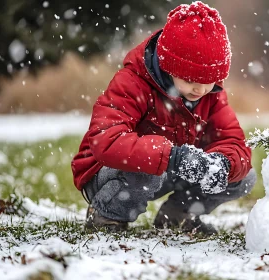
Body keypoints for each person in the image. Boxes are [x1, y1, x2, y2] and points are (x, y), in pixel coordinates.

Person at [71, 1, 255, 235]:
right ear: (169, 67)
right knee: (146, 170)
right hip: (108, 173)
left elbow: (233, 141)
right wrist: (173, 157)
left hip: (166, 169)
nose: (200, 90)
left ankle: (178, 215)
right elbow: (105, 141)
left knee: (242, 176)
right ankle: (107, 215)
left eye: (209, 81)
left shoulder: (211, 94)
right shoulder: (132, 83)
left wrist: (223, 164)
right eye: (190, 81)